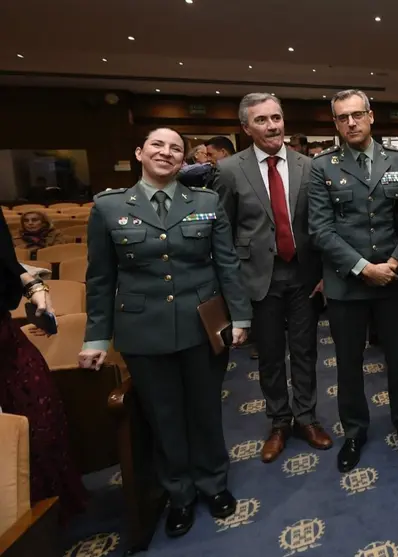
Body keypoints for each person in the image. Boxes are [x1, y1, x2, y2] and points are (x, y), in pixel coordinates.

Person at [77, 127, 252, 538]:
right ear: (139, 152)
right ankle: (179, 494)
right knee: (164, 417)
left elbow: (226, 263)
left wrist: (240, 318)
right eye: (157, 145)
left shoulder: (206, 202)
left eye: (175, 148)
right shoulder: (108, 207)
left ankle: (214, 483)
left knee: (206, 410)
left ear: (183, 159)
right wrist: (96, 337)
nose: (167, 152)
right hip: (143, 331)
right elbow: (100, 278)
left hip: (202, 326)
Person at [308, 89, 398, 472]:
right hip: (346, 284)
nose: (351, 122)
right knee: (348, 364)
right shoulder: (321, 166)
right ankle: (354, 431)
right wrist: (363, 267)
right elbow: (320, 230)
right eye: (343, 117)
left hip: (395, 279)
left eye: (357, 114)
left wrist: (391, 262)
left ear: (371, 116)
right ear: (335, 123)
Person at [214, 93, 330, 464]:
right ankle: (279, 421)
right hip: (257, 277)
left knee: (305, 350)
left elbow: (322, 225)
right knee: (269, 357)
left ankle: (307, 418)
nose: (272, 126)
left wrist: (325, 272)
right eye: (262, 120)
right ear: (246, 127)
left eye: (276, 118)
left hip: (304, 275)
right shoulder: (230, 170)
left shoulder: (308, 166)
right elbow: (224, 232)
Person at [0, 214, 87, 522]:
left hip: (4, 343)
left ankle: (43, 520)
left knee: (40, 425)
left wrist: (31, 283)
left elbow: (5, 263)